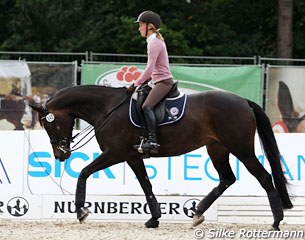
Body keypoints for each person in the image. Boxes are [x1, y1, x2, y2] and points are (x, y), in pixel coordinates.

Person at [127, 10, 174, 154]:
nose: (138, 28)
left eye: (141, 25)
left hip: (164, 82)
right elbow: (151, 72)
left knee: (147, 106)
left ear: (150, 26)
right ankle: (143, 135)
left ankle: (153, 141)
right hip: (155, 81)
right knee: (140, 99)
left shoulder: (154, 43)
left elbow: (149, 69)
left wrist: (135, 83)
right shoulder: (153, 41)